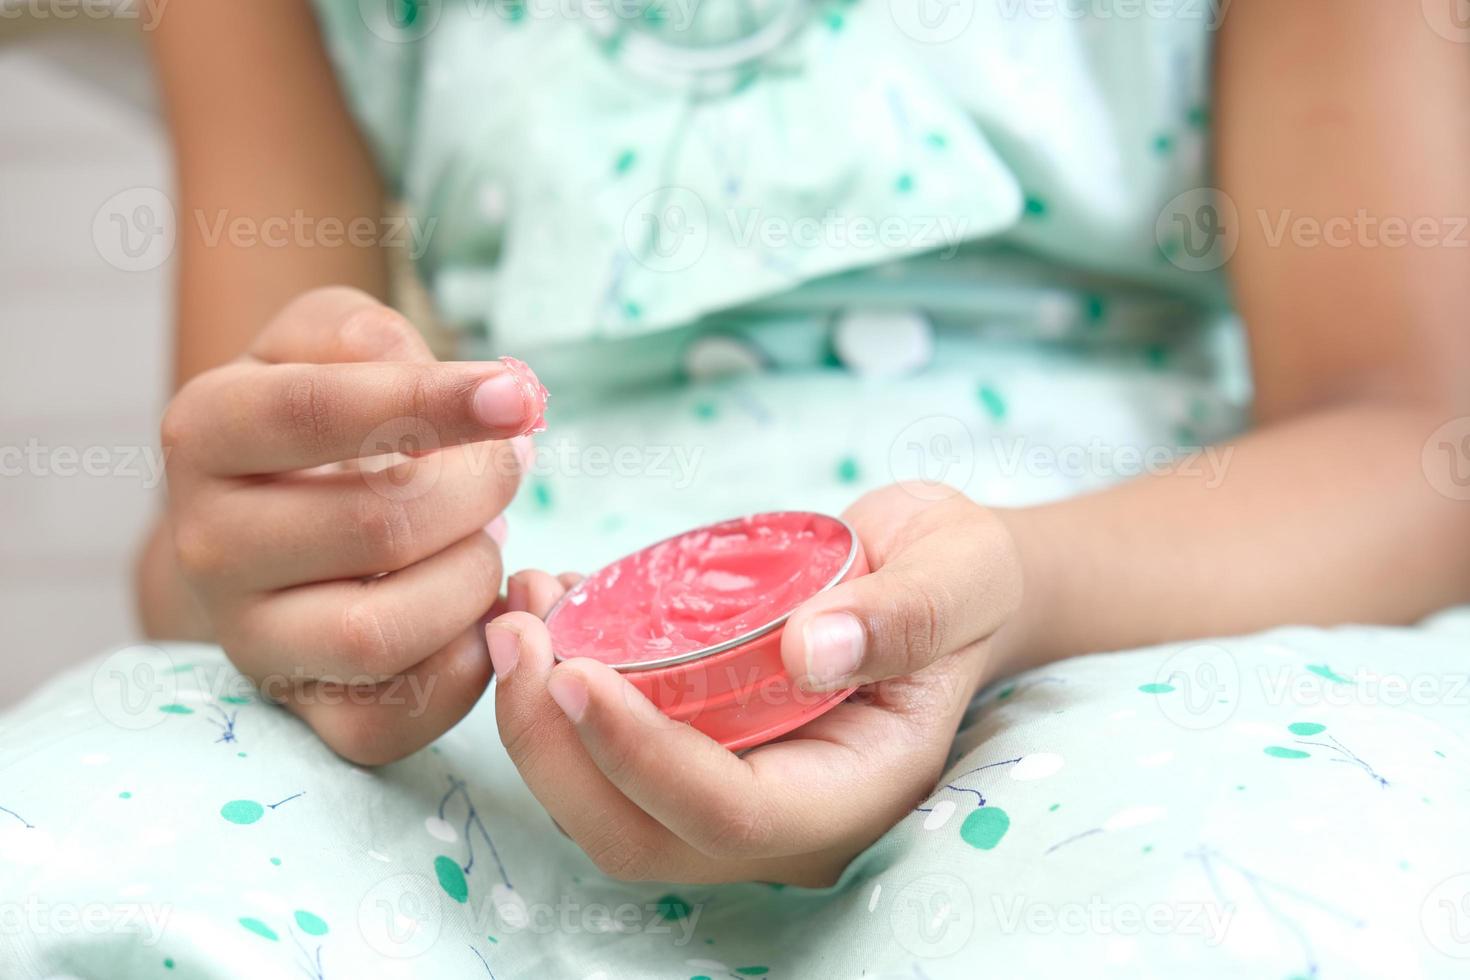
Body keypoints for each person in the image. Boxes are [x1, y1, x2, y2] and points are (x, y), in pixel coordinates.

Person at [6, 1, 1469, 976]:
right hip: (509, 670)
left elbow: (1410, 440)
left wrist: (1018, 593)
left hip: (1133, 609)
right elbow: (196, 557)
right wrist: (319, 571)